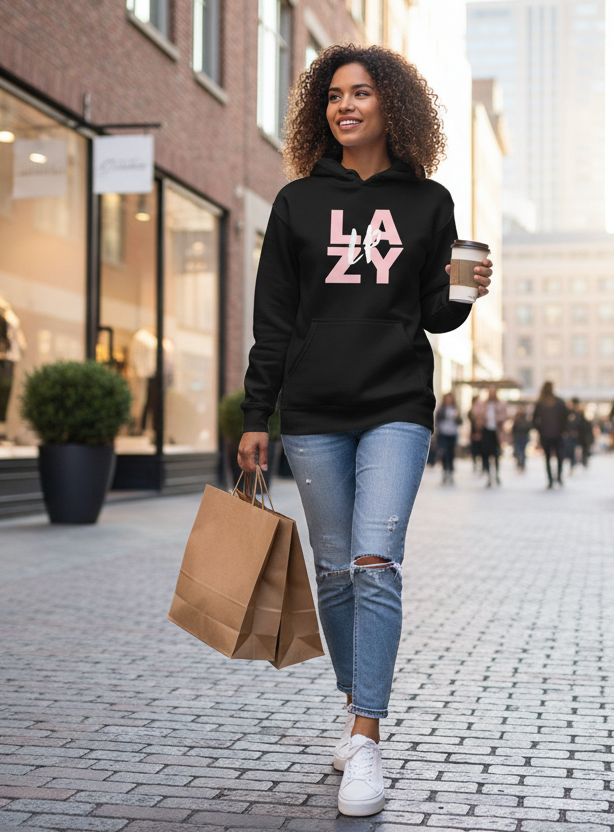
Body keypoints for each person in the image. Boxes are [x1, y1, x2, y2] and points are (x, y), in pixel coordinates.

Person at [238, 44, 493, 817]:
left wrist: (466, 292)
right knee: (335, 571)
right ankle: (357, 699)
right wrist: (257, 416)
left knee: (375, 561)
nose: (345, 106)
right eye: (334, 95)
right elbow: (274, 322)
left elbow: (433, 314)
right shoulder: (294, 205)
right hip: (314, 413)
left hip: (396, 407)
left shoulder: (429, 203)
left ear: (394, 107)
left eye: (362, 94)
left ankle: (367, 737)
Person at [531, 381, 569, 488]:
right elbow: (566, 418)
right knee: (558, 457)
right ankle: (558, 478)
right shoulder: (558, 402)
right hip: (555, 435)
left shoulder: (542, 403)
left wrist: (540, 429)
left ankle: (551, 479)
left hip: (549, 435)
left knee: (548, 458)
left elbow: (534, 420)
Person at [471, 388, 509, 487]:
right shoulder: (483, 404)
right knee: (485, 454)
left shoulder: (500, 404)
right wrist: (481, 420)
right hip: (486, 431)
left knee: (496, 455)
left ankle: (496, 475)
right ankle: (488, 475)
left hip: (496, 432)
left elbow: (505, 416)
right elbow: (474, 413)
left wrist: (498, 418)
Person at [434, 392, 461, 485]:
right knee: (444, 453)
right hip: (443, 434)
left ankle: (451, 472)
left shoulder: (455, 409)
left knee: (451, 453)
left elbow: (460, 421)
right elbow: (437, 420)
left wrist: (456, 417)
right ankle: (445, 471)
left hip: (452, 434)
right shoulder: (441, 409)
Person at [570, 397, 592, 470]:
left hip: (581, 435)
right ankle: (573, 464)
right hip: (574, 435)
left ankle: (583, 461)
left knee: (582, 449)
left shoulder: (580, 413)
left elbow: (585, 425)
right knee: (573, 450)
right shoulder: (571, 413)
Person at [510, 404, 531, 472]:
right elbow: (513, 429)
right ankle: (519, 462)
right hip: (518, 437)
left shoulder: (525, 418)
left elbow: (528, 427)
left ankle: (522, 463)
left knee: (522, 451)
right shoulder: (516, 418)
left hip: (523, 436)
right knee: (518, 450)